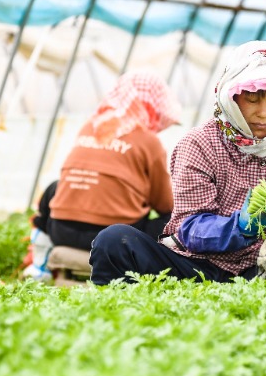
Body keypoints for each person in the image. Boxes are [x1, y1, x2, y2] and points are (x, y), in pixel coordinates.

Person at [89, 40, 266, 286]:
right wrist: (240, 227)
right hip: (196, 265)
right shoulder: (200, 144)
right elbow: (190, 228)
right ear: (232, 98)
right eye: (252, 99)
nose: (264, 112)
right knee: (114, 241)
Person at [25, 70, 181, 279]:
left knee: (55, 187)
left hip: (61, 231)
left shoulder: (90, 126)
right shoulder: (148, 141)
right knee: (176, 217)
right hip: (113, 236)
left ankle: (39, 265)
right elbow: (165, 204)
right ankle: (153, 272)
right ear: (155, 106)